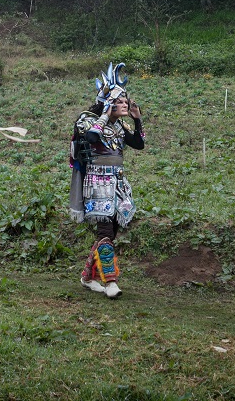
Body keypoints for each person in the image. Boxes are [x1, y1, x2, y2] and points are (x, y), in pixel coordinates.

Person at [70, 62, 145, 298]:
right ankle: (110, 281)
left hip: (119, 183)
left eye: (126, 101)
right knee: (104, 230)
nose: (125, 104)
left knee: (111, 231)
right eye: (120, 102)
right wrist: (103, 115)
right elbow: (92, 136)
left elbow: (139, 144)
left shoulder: (120, 126)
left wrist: (137, 120)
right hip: (97, 183)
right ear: (108, 102)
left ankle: (87, 276)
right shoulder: (87, 119)